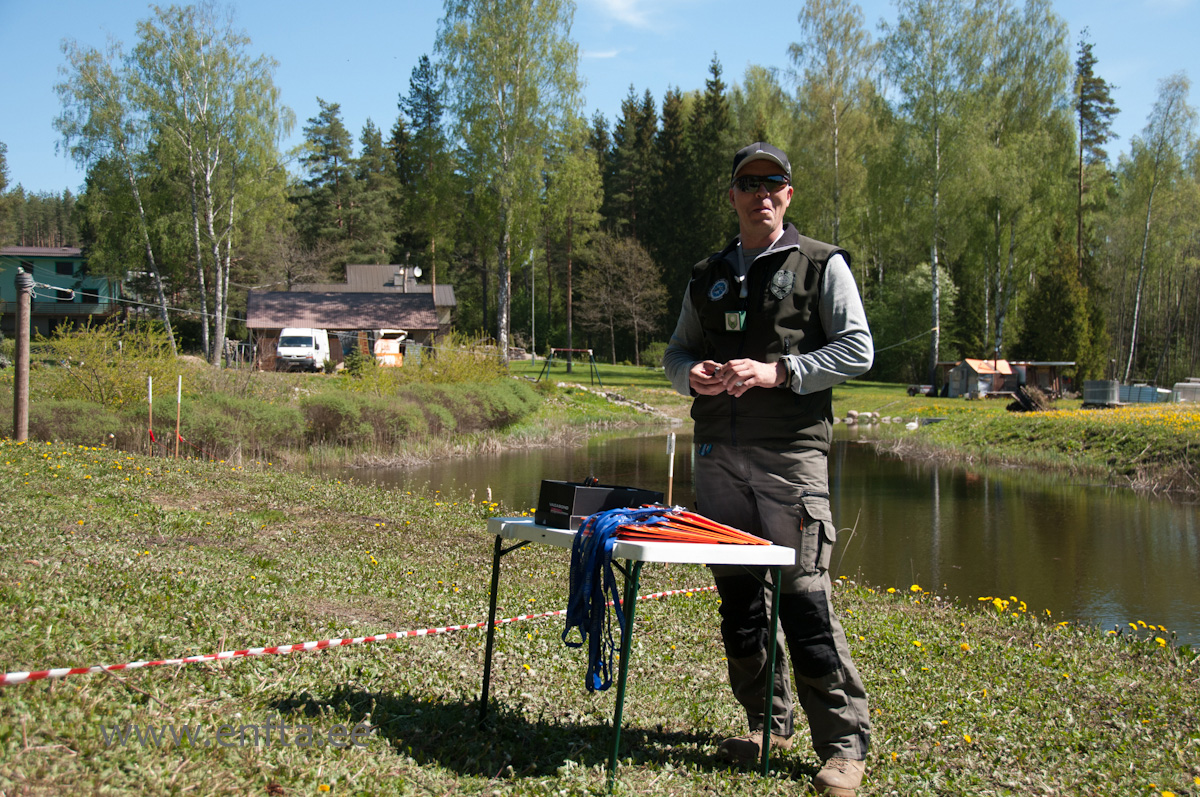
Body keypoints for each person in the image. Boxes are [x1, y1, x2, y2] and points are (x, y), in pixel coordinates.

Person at [663, 142, 872, 797]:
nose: (761, 194)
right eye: (748, 183)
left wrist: (779, 371)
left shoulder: (821, 265)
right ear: (732, 195)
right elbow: (676, 352)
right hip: (718, 460)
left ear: (788, 193)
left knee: (806, 603)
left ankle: (842, 747)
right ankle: (768, 725)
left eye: (772, 183)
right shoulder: (707, 273)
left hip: (792, 459)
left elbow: (858, 348)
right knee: (739, 605)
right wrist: (688, 376)